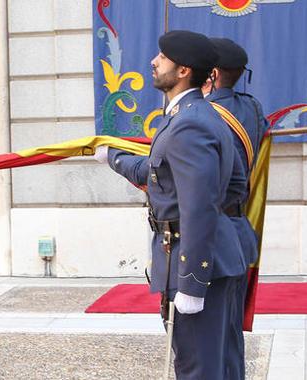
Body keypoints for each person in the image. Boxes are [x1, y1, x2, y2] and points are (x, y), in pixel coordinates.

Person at [95, 30, 247, 379]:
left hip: (194, 264)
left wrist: (192, 282)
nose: (153, 62)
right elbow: (233, 185)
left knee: (199, 369)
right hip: (215, 256)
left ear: (183, 71)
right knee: (221, 364)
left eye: (162, 58)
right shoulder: (202, 115)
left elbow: (200, 207)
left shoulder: (188, 124)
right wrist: (114, 157)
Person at [203, 37, 270, 380]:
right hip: (240, 234)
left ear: (211, 73)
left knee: (203, 340)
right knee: (230, 335)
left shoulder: (201, 114)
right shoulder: (253, 108)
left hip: (211, 236)